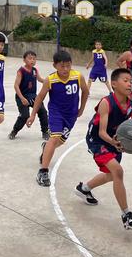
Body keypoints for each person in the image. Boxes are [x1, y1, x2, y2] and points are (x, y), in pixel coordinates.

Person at [75, 68, 132, 230]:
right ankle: (127, 216)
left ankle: (84, 188)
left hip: (116, 140)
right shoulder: (106, 102)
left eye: (131, 81)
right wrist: (114, 142)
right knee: (118, 171)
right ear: (114, 84)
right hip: (97, 140)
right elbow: (102, 132)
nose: (129, 84)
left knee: (111, 175)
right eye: (125, 80)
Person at [27, 50, 89, 186]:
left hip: (71, 115)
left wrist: (81, 108)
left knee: (59, 142)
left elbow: (85, 91)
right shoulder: (51, 80)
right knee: (54, 138)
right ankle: (43, 171)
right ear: (55, 65)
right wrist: (32, 115)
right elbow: (40, 97)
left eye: (68, 65)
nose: (66, 69)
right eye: (62, 66)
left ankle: (46, 146)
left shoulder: (78, 76)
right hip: (56, 113)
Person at [8, 50, 49, 141]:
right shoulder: (21, 71)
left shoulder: (35, 70)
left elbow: (40, 79)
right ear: (24, 60)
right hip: (22, 97)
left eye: (34, 59)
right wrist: (22, 98)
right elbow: (16, 85)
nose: (32, 60)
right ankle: (14, 131)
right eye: (30, 58)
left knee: (43, 111)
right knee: (24, 115)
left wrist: (49, 82)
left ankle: (45, 132)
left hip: (33, 96)